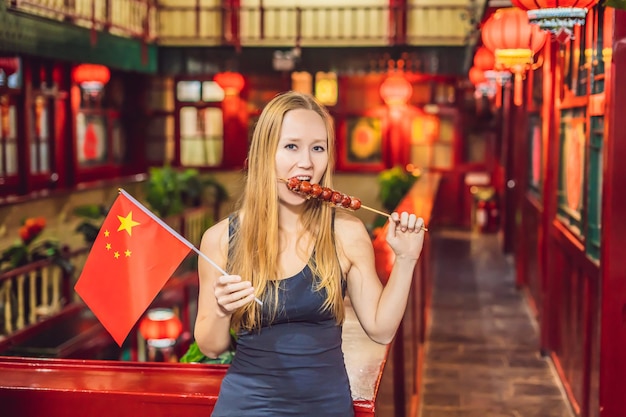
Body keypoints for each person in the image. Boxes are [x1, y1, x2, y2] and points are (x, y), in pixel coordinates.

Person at [194, 91, 426, 417]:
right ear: (264, 154)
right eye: (291, 146)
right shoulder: (220, 238)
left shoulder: (346, 233)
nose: (307, 162)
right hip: (247, 406)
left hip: (326, 407)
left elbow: (381, 328)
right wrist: (221, 309)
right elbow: (210, 345)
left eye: (318, 148)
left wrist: (406, 259)